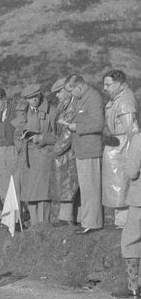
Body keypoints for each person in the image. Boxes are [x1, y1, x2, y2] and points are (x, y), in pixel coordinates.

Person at [62, 74, 105, 234]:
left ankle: (92, 223)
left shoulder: (92, 97)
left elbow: (98, 123)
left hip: (90, 149)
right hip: (83, 150)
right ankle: (88, 221)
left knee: (91, 187)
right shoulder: (82, 98)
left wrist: (75, 127)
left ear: (79, 86)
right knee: (87, 188)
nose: (70, 94)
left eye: (70, 90)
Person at [102, 69, 137, 227]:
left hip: (123, 148)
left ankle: (124, 224)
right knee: (120, 188)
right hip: (117, 146)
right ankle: (121, 222)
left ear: (118, 84)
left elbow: (132, 130)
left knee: (123, 186)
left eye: (108, 84)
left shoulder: (124, 102)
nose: (105, 88)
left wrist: (133, 154)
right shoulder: (117, 99)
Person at [17, 84, 56, 227]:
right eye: (30, 98)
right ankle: (34, 226)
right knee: (30, 194)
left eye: (35, 96)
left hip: (44, 156)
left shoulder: (51, 111)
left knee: (44, 194)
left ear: (40, 95)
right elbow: (16, 134)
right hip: (27, 158)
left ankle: (44, 225)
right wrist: (19, 146)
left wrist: (42, 138)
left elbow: (59, 136)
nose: (33, 100)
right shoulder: (23, 112)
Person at [113, 120, 141, 298]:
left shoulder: (138, 140)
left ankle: (133, 286)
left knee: (131, 240)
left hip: (139, 199)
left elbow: (132, 171)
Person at [50, 77, 80, 226]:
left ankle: (68, 217)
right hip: (65, 151)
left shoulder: (71, 106)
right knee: (65, 184)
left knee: (68, 184)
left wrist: (57, 149)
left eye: (59, 92)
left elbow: (67, 133)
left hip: (68, 151)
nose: (57, 95)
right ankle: (66, 216)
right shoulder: (64, 105)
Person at [0, 87, 18, 206]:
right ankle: (9, 218)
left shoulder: (15, 112)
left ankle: (18, 218)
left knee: (14, 184)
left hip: (12, 149)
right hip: (0, 151)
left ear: (5, 100)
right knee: (3, 185)